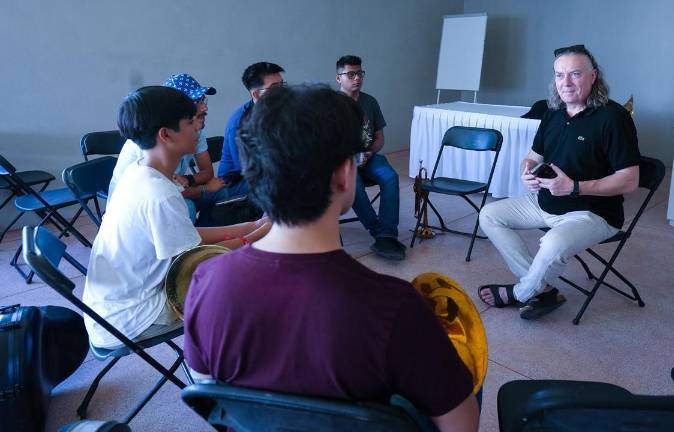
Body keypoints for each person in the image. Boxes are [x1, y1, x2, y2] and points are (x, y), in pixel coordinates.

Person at [183, 85, 479, 432]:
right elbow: (462, 426)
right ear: (343, 173)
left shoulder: (206, 280)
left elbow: (208, 393)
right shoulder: (394, 306)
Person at [83, 86, 271, 349]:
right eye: (190, 121)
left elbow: (187, 239)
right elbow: (194, 261)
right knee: (258, 282)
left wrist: (252, 226)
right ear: (166, 134)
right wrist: (256, 238)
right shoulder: (158, 193)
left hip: (112, 310)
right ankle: (228, 374)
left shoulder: (140, 173)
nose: (198, 127)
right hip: (133, 315)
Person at [478, 45, 641, 320]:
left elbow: (630, 180)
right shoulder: (553, 112)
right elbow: (531, 157)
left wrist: (575, 187)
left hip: (592, 212)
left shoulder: (613, 118)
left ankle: (521, 293)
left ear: (593, 76)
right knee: (489, 215)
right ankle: (542, 289)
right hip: (545, 201)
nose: (565, 83)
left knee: (552, 244)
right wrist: (526, 173)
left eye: (575, 74)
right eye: (559, 75)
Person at [108, 73, 224, 222]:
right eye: (197, 101)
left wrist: (188, 179)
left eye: (203, 100)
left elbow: (207, 173)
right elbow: (169, 195)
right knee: (187, 207)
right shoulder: (152, 148)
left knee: (222, 194)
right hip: (142, 213)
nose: (204, 106)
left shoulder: (191, 130)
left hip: (175, 194)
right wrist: (204, 188)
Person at [336, 55, 404, 260]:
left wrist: (369, 152)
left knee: (391, 177)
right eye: (351, 74)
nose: (357, 78)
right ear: (339, 78)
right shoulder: (330, 105)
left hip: (369, 156)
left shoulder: (370, 102)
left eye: (360, 73)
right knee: (353, 184)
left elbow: (379, 137)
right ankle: (379, 232)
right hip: (342, 162)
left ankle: (387, 232)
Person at [216, 62, 286, 199]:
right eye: (274, 88)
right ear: (256, 94)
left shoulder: (282, 111)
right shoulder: (239, 122)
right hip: (238, 182)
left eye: (282, 85)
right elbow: (249, 169)